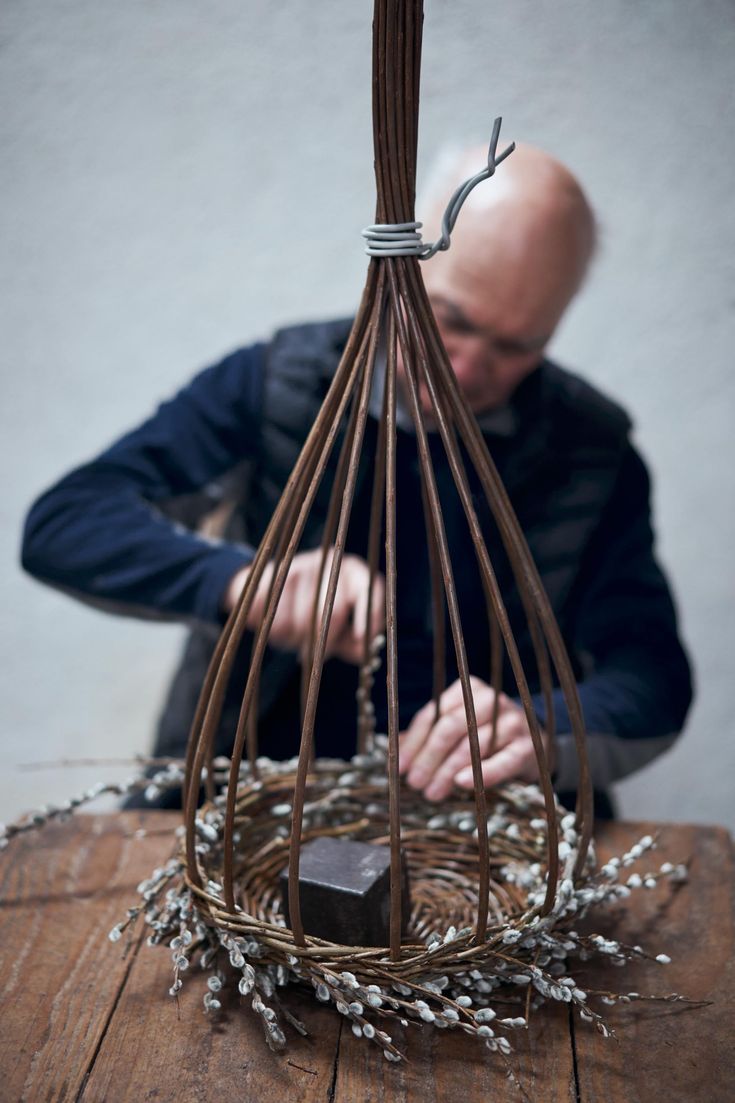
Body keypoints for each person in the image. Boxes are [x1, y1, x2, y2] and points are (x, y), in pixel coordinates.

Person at [21, 144, 693, 817]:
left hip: (485, 831)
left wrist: (540, 729)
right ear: (397, 268)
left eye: (514, 345)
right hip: (242, 809)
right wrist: (242, 582)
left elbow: (652, 676)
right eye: (449, 320)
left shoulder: (591, 448)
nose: (462, 371)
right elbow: (65, 522)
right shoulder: (275, 385)